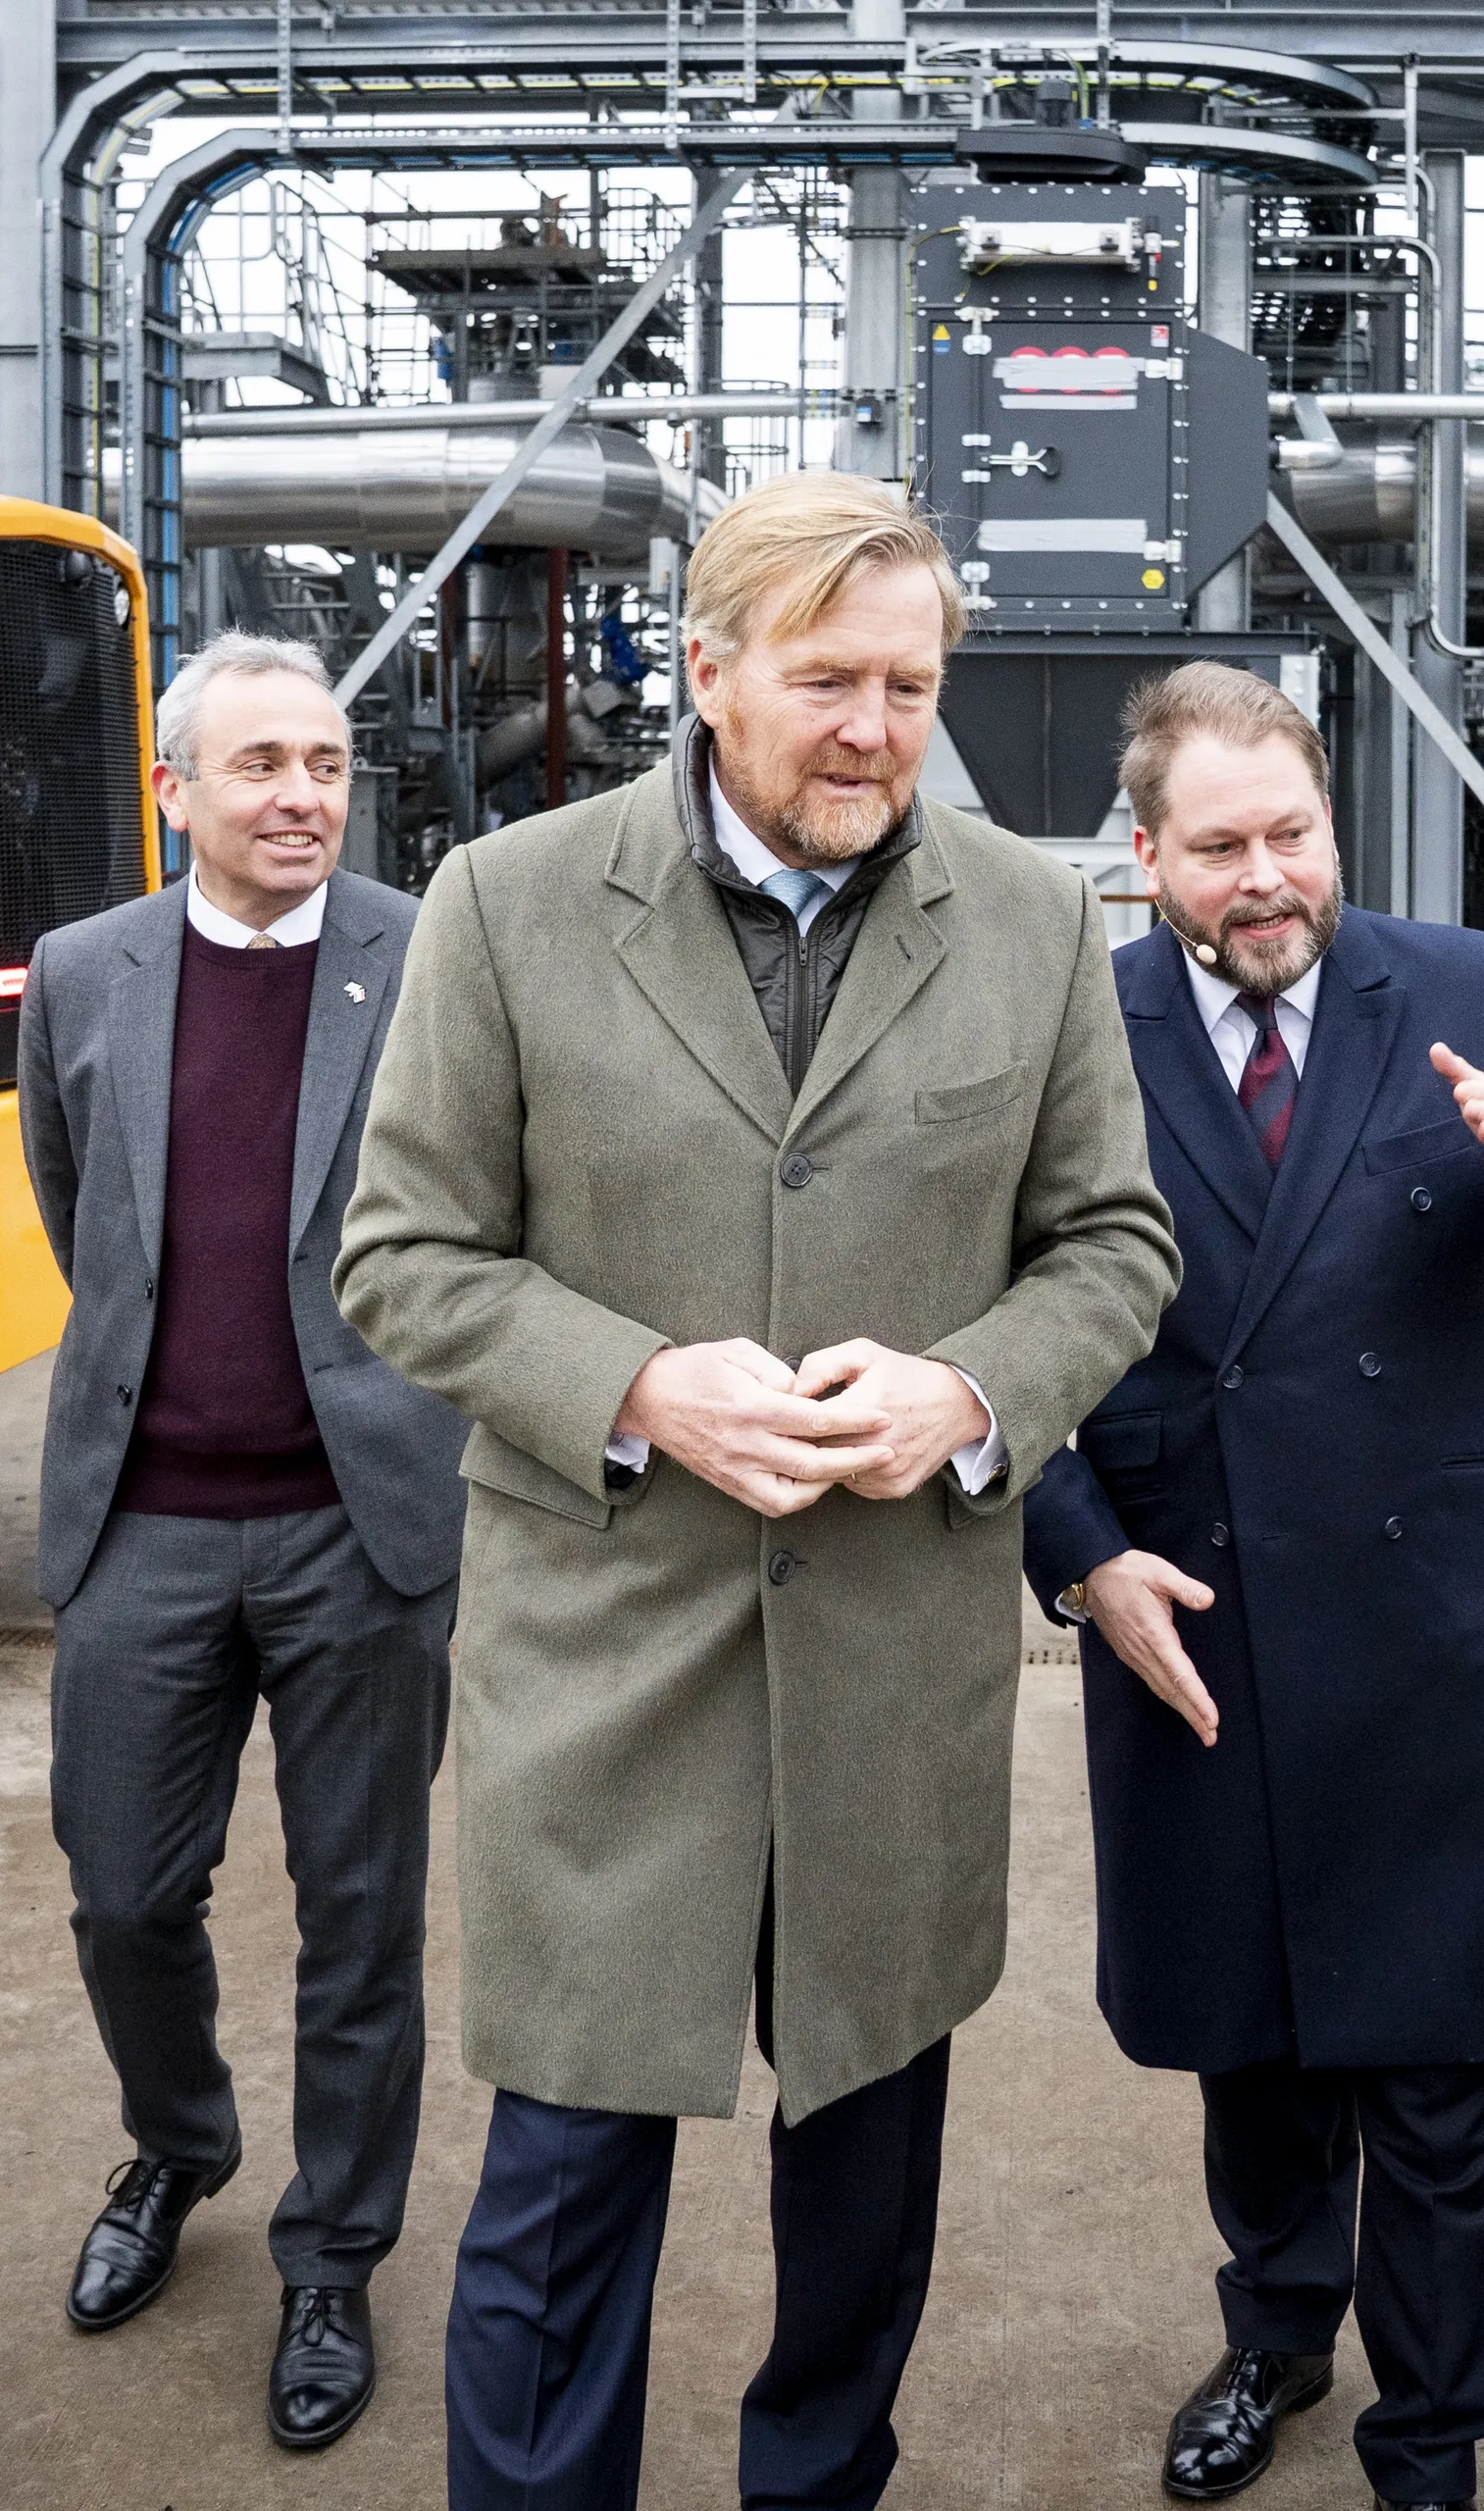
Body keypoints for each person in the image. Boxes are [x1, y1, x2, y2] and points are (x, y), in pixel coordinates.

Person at [336, 469, 1179, 2511]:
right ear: (705, 670)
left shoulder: (1035, 916)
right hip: (606, 1670)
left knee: (866, 2200)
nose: (874, 726)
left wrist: (966, 1392)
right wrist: (631, 1378)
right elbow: (402, 1254)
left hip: (891, 1670)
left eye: (908, 681)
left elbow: (1115, 1245)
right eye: (827, 679)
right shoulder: (509, 903)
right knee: (555, 2200)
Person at [1016, 662, 1484, 2511]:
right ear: (1144, 858)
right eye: (1219, 849)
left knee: (1433, 2054)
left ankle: (1429, 2429)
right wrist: (1086, 1556)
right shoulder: (1072, 1026)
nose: (1264, 877)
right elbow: (998, 1323)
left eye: (1293, 835)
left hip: (1425, 1612)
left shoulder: (1462, 988)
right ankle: (1276, 2329)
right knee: (1251, 2030)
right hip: (1184, 1602)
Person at [14, 630, 469, 2450]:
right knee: (127, 1892)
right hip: (145, 1521)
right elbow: (78, 1206)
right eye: (263, 764)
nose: (301, 796)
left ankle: (334, 2252)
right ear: (175, 789)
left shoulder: (426, 956)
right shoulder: (80, 972)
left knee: (363, 1917)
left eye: (328, 765)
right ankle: (176, 2145)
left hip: (362, 1523)